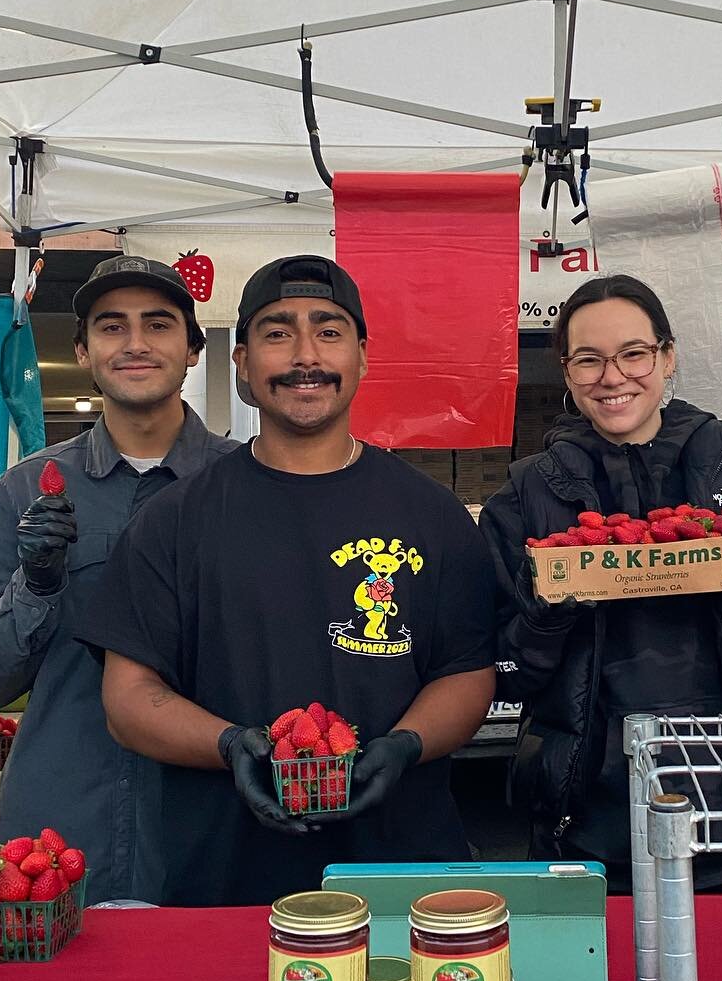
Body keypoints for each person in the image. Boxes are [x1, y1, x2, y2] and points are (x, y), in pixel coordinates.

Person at [77, 256, 498, 907]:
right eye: (277, 333)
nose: (306, 355)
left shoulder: (431, 514)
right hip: (226, 888)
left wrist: (405, 747)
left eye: (329, 331)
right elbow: (127, 698)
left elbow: (467, 672)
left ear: (363, 354)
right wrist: (229, 746)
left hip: (404, 882)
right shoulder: (173, 520)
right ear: (241, 360)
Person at [479, 274, 722, 894]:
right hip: (583, 823)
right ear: (566, 372)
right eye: (588, 360)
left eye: (633, 353)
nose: (612, 377)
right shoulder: (526, 498)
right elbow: (504, 676)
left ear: (667, 358)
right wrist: (542, 618)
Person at [0, 255, 234, 903]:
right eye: (112, 327)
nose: (135, 343)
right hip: (59, 835)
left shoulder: (247, 488)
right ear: (83, 350)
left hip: (211, 824)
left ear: (193, 348)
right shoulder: (25, 489)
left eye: (158, 325)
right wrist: (38, 584)